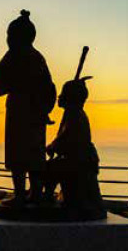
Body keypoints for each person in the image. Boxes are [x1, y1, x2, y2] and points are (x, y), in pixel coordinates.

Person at [0, 10, 56, 205]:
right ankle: (34, 194)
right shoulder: (37, 57)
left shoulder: (14, 55)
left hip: (20, 113)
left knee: (18, 158)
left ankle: (21, 195)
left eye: (10, 35)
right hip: (36, 114)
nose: (8, 39)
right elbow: (49, 87)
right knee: (34, 156)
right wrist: (44, 109)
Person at [43, 78, 107, 220]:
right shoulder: (73, 114)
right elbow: (64, 138)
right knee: (49, 168)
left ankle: (46, 198)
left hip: (79, 161)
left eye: (63, 93)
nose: (59, 96)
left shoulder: (75, 115)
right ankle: (48, 197)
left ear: (71, 98)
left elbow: (66, 138)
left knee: (47, 169)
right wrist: (55, 146)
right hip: (77, 158)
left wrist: (53, 146)